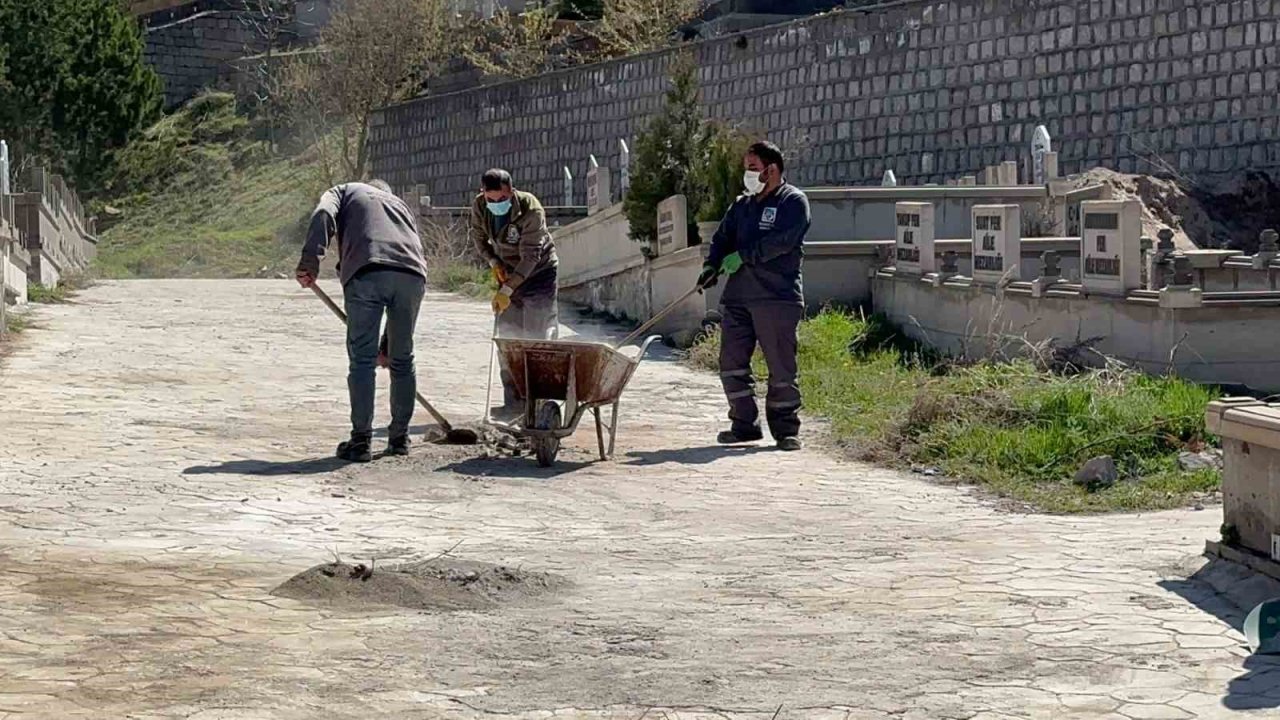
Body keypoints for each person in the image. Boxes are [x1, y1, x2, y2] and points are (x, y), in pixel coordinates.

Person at [295, 180, 429, 463]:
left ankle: (361, 442)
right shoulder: (400, 205)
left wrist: (310, 262)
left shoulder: (344, 190)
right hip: (412, 274)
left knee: (362, 361)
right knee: (402, 359)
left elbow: (323, 214)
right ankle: (400, 439)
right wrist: (388, 345)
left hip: (368, 270)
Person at [697, 141, 810, 452]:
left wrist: (744, 256)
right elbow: (721, 238)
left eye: (752, 168)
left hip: (777, 298)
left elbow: (783, 241)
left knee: (781, 366)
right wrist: (711, 264)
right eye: (746, 168)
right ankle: (744, 425)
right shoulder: (742, 206)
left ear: (771, 169)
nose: (747, 175)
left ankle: (786, 430)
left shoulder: (793, 202)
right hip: (738, 299)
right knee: (731, 364)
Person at [469, 168, 559, 416]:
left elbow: (531, 256)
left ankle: (535, 405)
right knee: (508, 339)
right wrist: (494, 263)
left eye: (502, 199)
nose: (496, 204)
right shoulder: (479, 206)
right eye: (491, 199)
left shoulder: (531, 209)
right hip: (508, 272)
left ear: (511, 191)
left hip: (539, 274)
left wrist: (507, 289)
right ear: (483, 193)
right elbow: (479, 238)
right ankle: (514, 403)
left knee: (533, 339)